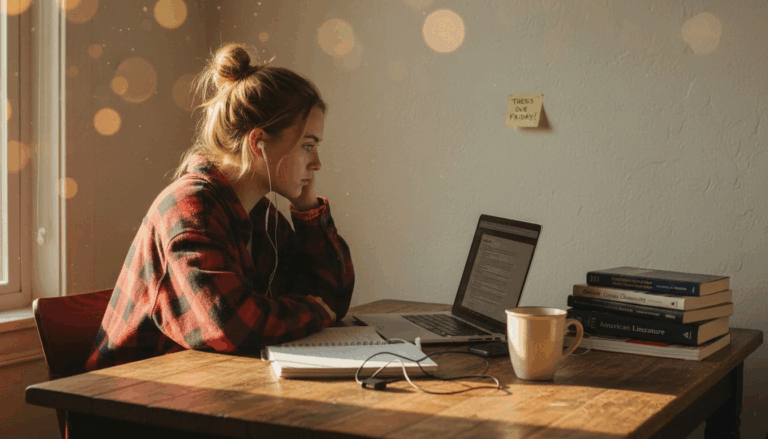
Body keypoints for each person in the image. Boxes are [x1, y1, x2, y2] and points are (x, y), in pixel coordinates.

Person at [85, 43, 355, 371]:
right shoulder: (189, 209)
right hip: (129, 404)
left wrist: (307, 209)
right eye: (307, 146)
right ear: (259, 144)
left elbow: (333, 300)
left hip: (201, 388)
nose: (317, 163)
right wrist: (312, 312)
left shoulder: (259, 215)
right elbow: (233, 326)